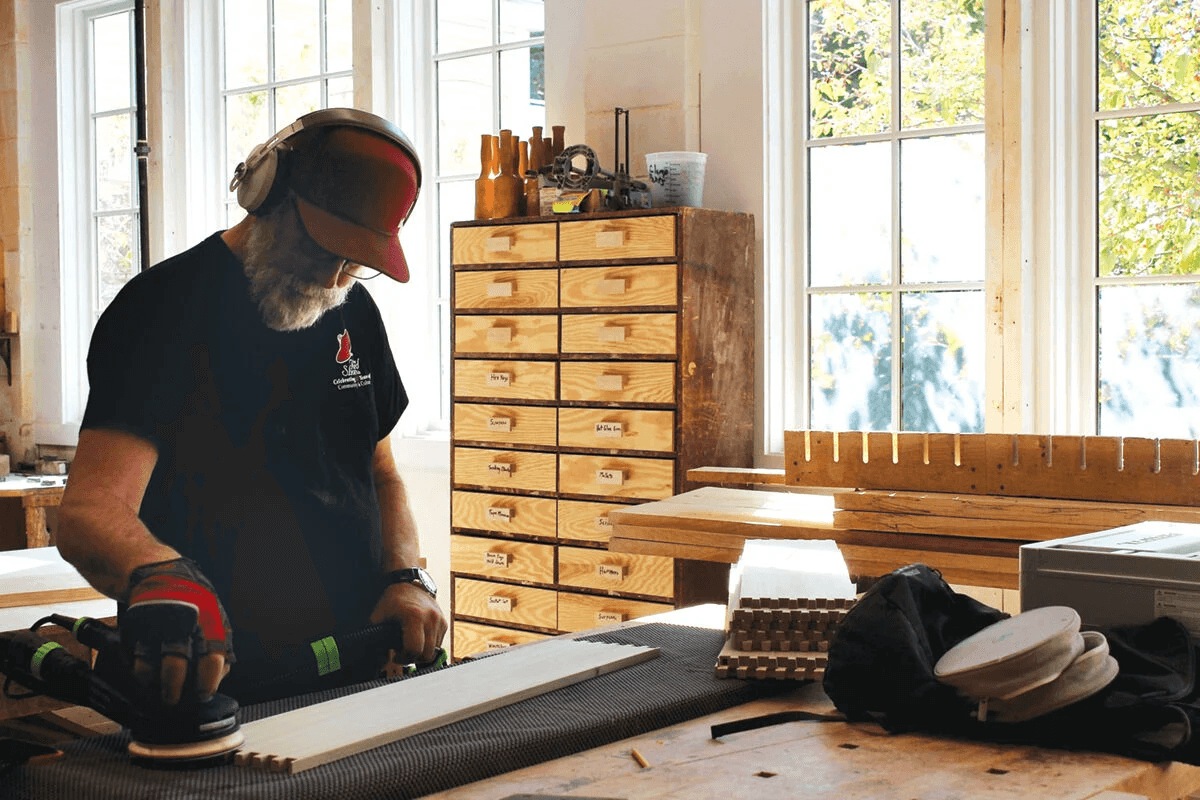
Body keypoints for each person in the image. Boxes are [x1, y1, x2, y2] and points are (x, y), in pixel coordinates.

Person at [56, 108, 448, 706]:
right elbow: (89, 511)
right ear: (266, 194)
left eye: (356, 260)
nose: (337, 276)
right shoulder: (160, 311)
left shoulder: (355, 311)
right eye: (326, 248)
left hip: (361, 666)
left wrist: (405, 577)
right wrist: (162, 577)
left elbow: (381, 473)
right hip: (213, 675)